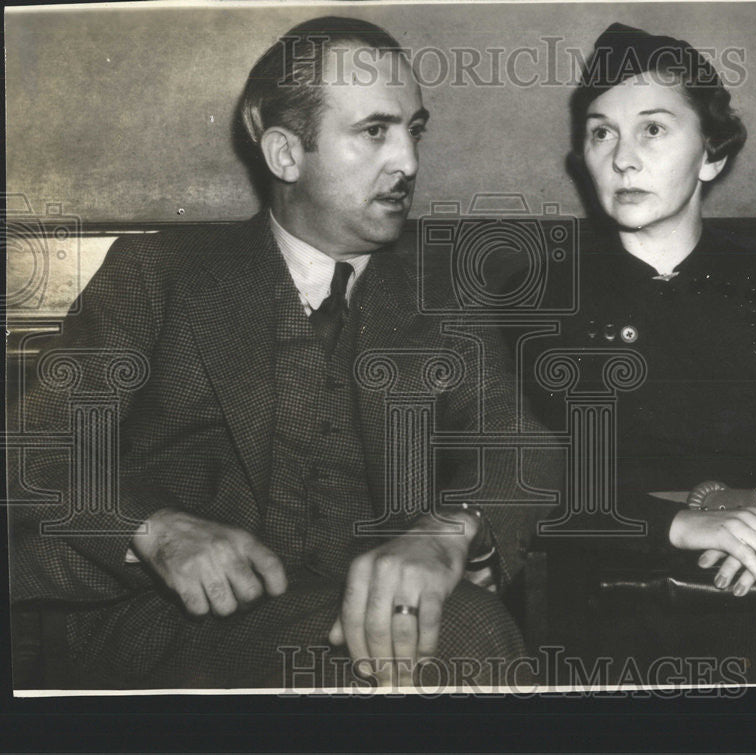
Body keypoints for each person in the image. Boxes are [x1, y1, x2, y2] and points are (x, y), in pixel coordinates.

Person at [10, 16, 556, 690]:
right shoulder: (158, 272)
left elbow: (519, 445)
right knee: (457, 638)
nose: (409, 163)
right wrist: (154, 529)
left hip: (365, 611)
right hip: (173, 627)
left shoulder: (442, 289)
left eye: (413, 131)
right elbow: (36, 449)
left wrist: (444, 534)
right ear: (285, 154)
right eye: (374, 132)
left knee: (449, 630)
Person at [518, 23, 756, 682]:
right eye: (601, 132)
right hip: (613, 593)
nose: (623, 158)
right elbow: (527, 485)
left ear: (712, 155)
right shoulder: (542, 293)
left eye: (654, 130)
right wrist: (682, 526)